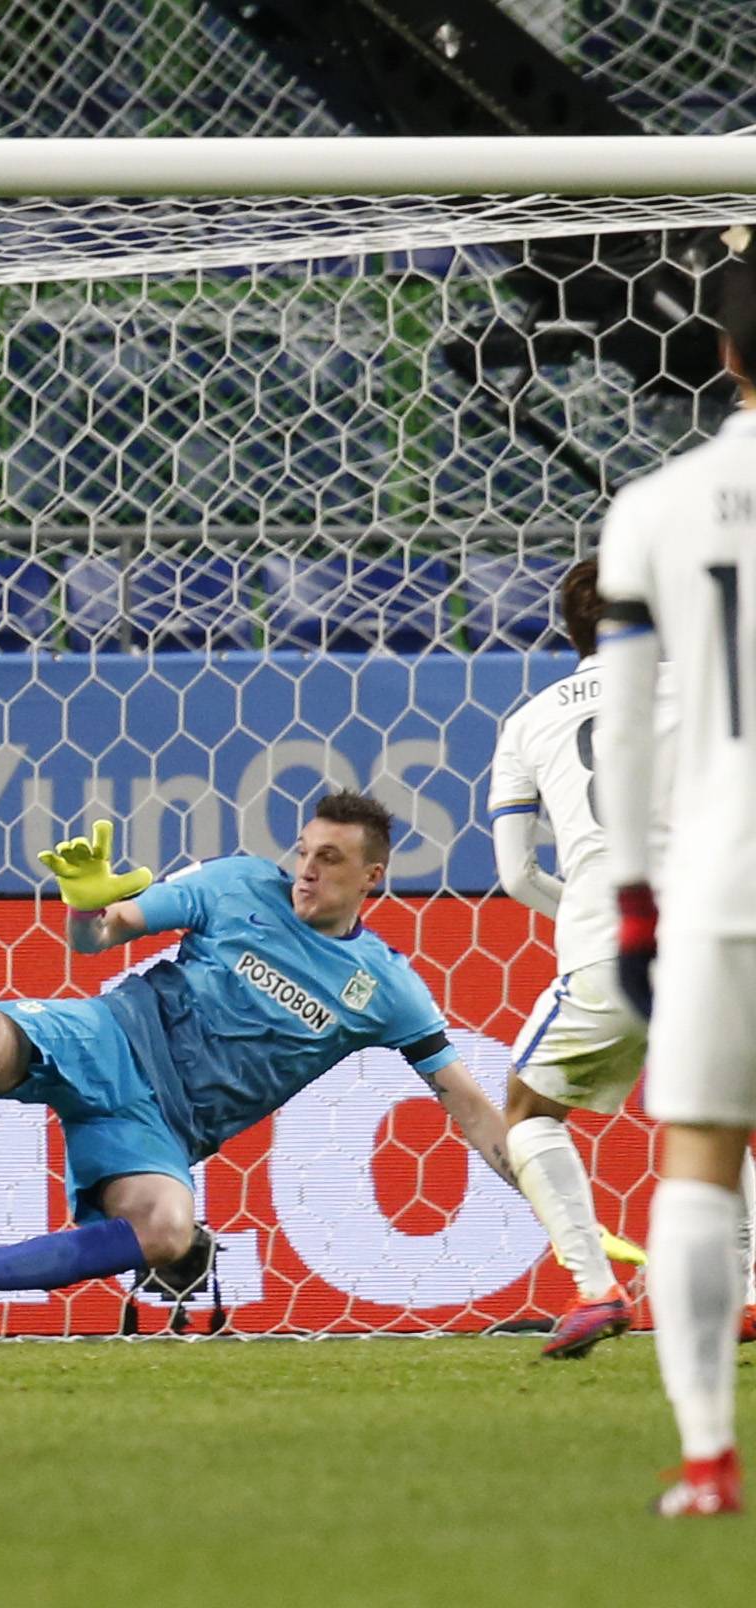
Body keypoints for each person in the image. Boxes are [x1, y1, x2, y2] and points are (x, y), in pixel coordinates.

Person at [0, 790, 516, 1323]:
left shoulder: (387, 988)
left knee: (166, 1231)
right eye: (303, 852)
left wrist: (539, 1179)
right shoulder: (236, 883)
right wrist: (86, 904)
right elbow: (103, 936)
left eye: (330, 859)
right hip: (111, 1037)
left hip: (163, 1128)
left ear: (372, 878)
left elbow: (466, 1103)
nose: (307, 870)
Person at [491, 558, 756, 1359]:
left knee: (530, 1113)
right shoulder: (708, 693)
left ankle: (594, 1288)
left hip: (610, 948)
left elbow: (514, 874)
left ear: (569, 632)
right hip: (716, 936)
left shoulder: (530, 719)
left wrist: (583, 913)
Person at [595, 245, 756, 1516]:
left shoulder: (654, 506)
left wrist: (635, 901)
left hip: (717, 884)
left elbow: (630, 729)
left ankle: (708, 1458)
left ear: (722, 354)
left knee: (698, 1157)